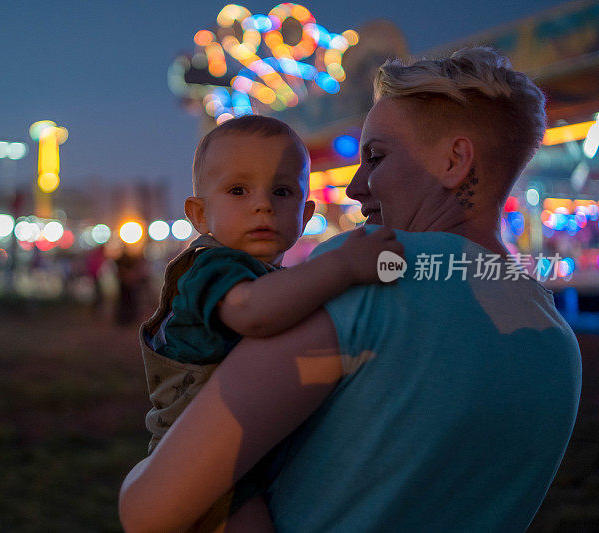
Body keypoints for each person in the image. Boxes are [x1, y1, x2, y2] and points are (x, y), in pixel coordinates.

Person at [119, 47, 582, 532]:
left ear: (454, 161)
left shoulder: (372, 271)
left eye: (376, 158)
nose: (355, 187)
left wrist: (140, 475)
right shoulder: (556, 343)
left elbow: (152, 509)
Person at [138, 115, 403, 530]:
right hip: (202, 460)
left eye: (282, 191)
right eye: (238, 190)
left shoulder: (267, 276)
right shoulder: (210, 266)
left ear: (305, 211)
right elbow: (254, 313)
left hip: (243, 450)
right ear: (200, 215)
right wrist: (344, 266)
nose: (262, 204)